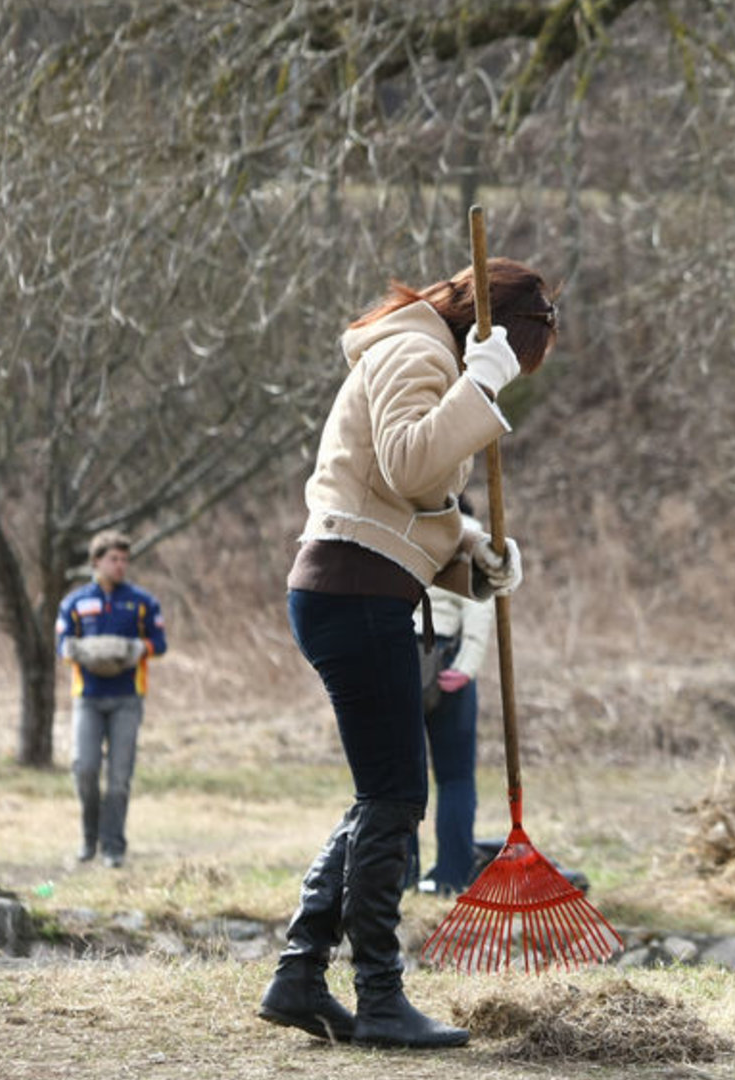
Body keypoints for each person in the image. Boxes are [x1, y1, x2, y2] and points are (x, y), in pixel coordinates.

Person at [257, 258, 555, 1049]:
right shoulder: (417, 353)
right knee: (394, 799)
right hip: (352, 593)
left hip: (362, 587)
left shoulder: (427, 355)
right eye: (514, 362)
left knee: (381, 794)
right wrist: (478, 389)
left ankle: (299, 975)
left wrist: (470, 552)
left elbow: (407, 502)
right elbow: (410, 460)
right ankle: (380, 998)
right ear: (488, 332)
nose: (507, 380)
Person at [55, 529, 168, 869]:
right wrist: (82, 651)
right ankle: (89, 838)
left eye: (124, 560)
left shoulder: (142, 602)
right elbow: (63, 646)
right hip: (87, 698)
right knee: (85, 769)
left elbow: (159, 643)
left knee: (119, 778)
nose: (120, 566)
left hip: (127, 699)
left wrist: (136, 649)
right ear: (96, 561)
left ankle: (113, 847)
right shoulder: (73, 603)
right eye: (113, 559)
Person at [410, 498, 495, 896]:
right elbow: (479, 603)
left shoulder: (396, 524)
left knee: (397, 781)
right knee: (456, 776)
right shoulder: (468, 532)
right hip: (445, 656)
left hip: (396, 653)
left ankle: (399, 875)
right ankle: (452, 876)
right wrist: (467, 663)